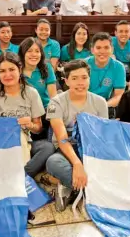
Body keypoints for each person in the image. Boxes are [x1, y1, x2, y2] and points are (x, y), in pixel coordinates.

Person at [46, 60, 108, 211]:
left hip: (90, 148)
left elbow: (101, 137)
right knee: (53, 163)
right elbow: (61, 137)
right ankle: (92, 189)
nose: (80, 83)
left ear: (89, 79)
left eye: (84, 78)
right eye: (74, 78)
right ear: (66, 81)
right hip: (65, 148)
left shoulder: (100, 102)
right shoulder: (55, 102)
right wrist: (77, 164)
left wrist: (90, 161)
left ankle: (70, 187)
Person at [0, 52, 55, 179]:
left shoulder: (31, 93)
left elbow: (38, 128)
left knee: (48, 147)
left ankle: (20, 176)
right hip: (1, 144)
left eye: (12, 69)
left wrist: (30, 125)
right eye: (2, 71)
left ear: (20, 69)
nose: (7, 75)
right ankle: (22, 178)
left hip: (26, 142)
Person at [86, 33, 126, 112]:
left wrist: (103, 106)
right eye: (98, 48)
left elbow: (118, 96)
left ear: (112, 50)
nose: (102, 51)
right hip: (84, 103)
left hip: (105, 105)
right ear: (92, 50)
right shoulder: (83, 64)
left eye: (106, 47)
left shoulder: (119, 67)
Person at [18, 37, 57, 109]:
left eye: (37, 51)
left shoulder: (47, 67)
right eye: (29, 51)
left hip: (45, 109)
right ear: (23, 53)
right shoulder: (16, 70)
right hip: (22, 111)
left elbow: (53, 97)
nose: (34, 54)